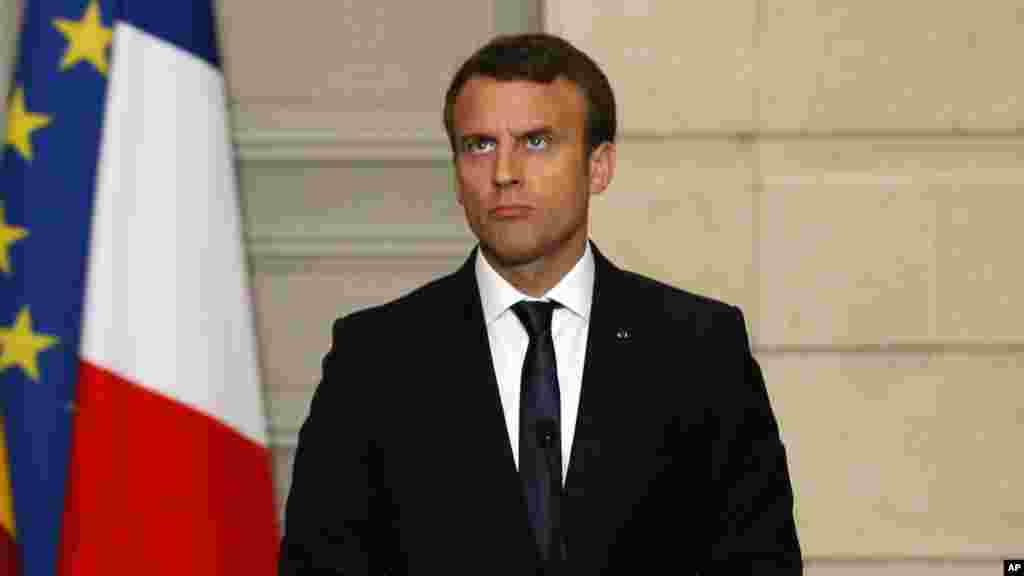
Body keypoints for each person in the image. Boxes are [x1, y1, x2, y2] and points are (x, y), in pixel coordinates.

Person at [278, 33, 802, 575]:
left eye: (536, 142)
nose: (504, 172)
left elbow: (760, 562)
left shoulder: (698, 349)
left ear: (598, 166)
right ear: (456, 173)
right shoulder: (375, 359)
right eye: (479, 144)